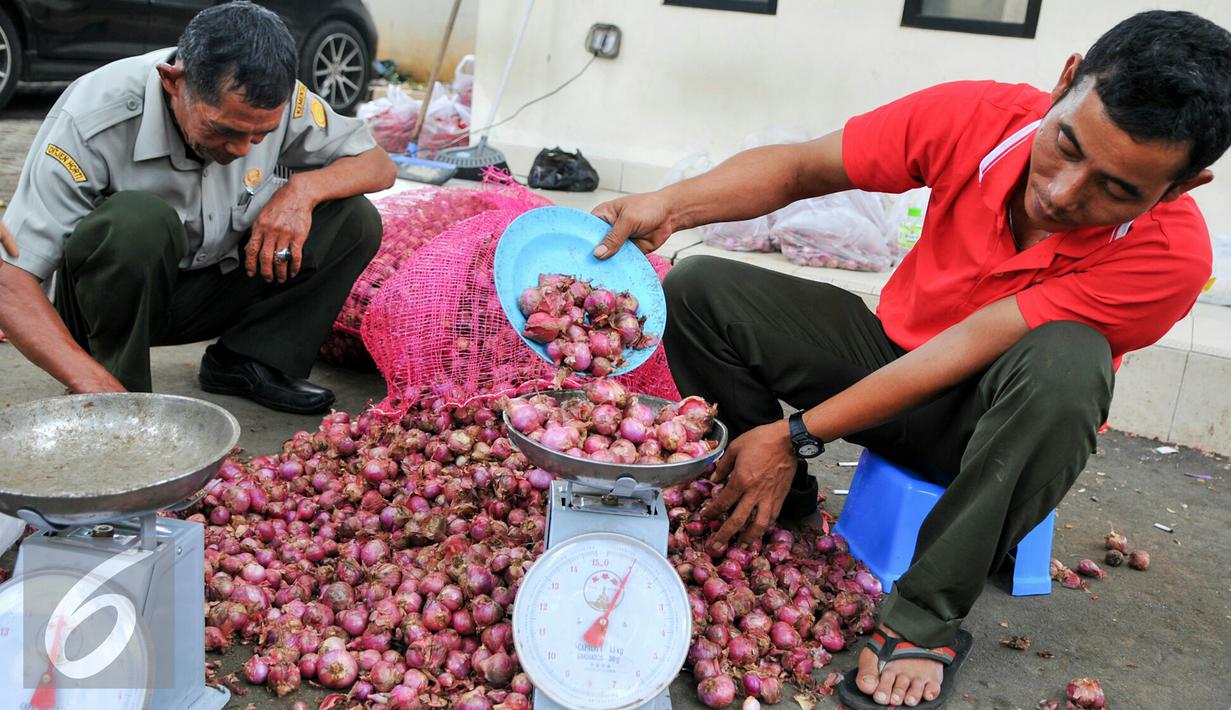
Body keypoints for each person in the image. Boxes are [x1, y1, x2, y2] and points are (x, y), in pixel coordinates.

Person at [593, 10, 1226, 709]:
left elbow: (968, 347)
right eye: (1066, 145)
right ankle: (782, 510)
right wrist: (669, 208)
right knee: (701, 287)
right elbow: (803, 167)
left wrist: (796, 432)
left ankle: (922, 620)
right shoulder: (977, 117)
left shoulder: (1168, 256)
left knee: (1068, 362)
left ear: (1180, 186)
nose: (1062, 192)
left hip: (988, 431)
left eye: (1116, 189)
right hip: (884, 359)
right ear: (1065, 81)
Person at [0, 2, 395, 414]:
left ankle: (248, 359)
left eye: (261, 136)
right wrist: (90, 380)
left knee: (353, 220)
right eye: (225, 131)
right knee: (137, 222)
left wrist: (303, 190)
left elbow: (378, 164)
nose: (242, 150)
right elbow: (9, 280)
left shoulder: (278, 99)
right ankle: (117, 392)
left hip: (208, 288)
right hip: (105, 302)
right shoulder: (93, 116)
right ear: (174, 82)